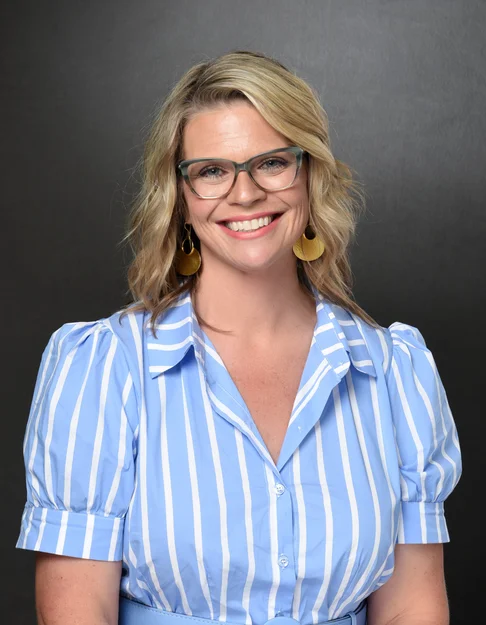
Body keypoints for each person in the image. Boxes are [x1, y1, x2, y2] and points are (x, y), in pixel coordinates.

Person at [16, 50, 462, 625]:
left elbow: (411, 609)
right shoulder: (105, 368)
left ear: (310, 176)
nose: (245, 193)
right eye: (211, 171)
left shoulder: (395, 372)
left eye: (271, 163)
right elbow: (77, 609)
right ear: (179, 197)